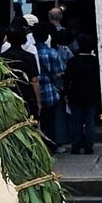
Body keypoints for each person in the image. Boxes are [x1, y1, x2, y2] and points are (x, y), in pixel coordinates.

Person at [64, 34, 101, 154]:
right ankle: (88, 145)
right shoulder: (95, 62)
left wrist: (66, 92)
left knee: (76, 120)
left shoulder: (73, 61)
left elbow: (67, 79)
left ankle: (76, 144)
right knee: (90, 120)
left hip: (75, 94)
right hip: (91, 94)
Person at [34, 23, 65, 153]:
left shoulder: (32, 51)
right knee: (50, 122)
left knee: (37, 122)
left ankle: (40, 147)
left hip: (35, 92)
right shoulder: (52, 52)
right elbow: (59, 73)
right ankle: (51, 146)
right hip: (50, 92)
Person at [2, 26, 41, 118]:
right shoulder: (29, 57)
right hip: (27, 96)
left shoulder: (2, 57)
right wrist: (38, 101)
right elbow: (34, 81)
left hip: (9, 96)